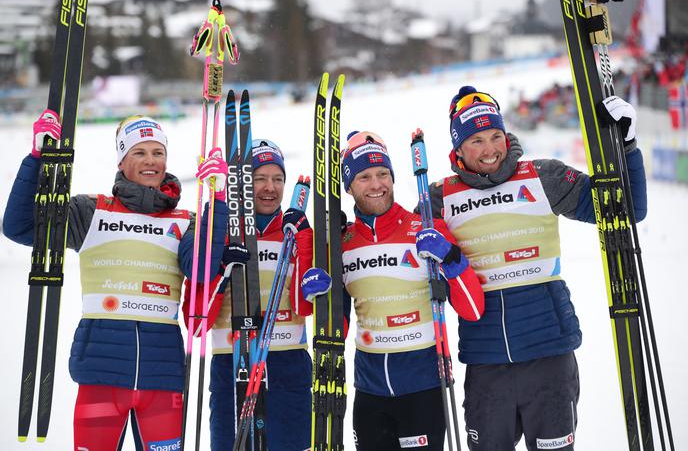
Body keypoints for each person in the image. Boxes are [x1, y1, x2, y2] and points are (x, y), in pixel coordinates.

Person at [431, 86, 647, 450]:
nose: (490, 150)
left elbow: (627, 209)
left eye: (496, 136)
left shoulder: (543, 177)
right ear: (458, 149)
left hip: (549, 356)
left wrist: (626, 145)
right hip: (486, 364)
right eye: (477, 140)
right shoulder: (440, 198)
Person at [3, 112, 229, 450]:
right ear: (122, 160)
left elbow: (201, 269)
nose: (151, 161)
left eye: (158, 152)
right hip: (100, 375)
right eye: (139, 152)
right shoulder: (92, 211)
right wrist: (37, 159)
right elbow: (19, 226)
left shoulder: (187, 221)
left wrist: (219, 203)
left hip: (162, 377)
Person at [301, 131, 485, 451]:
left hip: (423, 387)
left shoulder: (425, 228)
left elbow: (472, 308)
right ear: (348, 187)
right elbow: (337, 330)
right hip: (369, 392)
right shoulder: (342, 244)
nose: (376, 184)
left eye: (383, 173)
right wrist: (322, 295)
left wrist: (451, 259)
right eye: (364, 177)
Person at [184, 139, 314, 450]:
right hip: (232, 367)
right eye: (259, 178)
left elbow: (304, 306)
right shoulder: (217, 231)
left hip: (288, 367)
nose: (270, 188)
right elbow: (196, 323)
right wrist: (222, 266)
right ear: (242, 183)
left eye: (278, 179)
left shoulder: (295, 232)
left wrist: (306, 237)